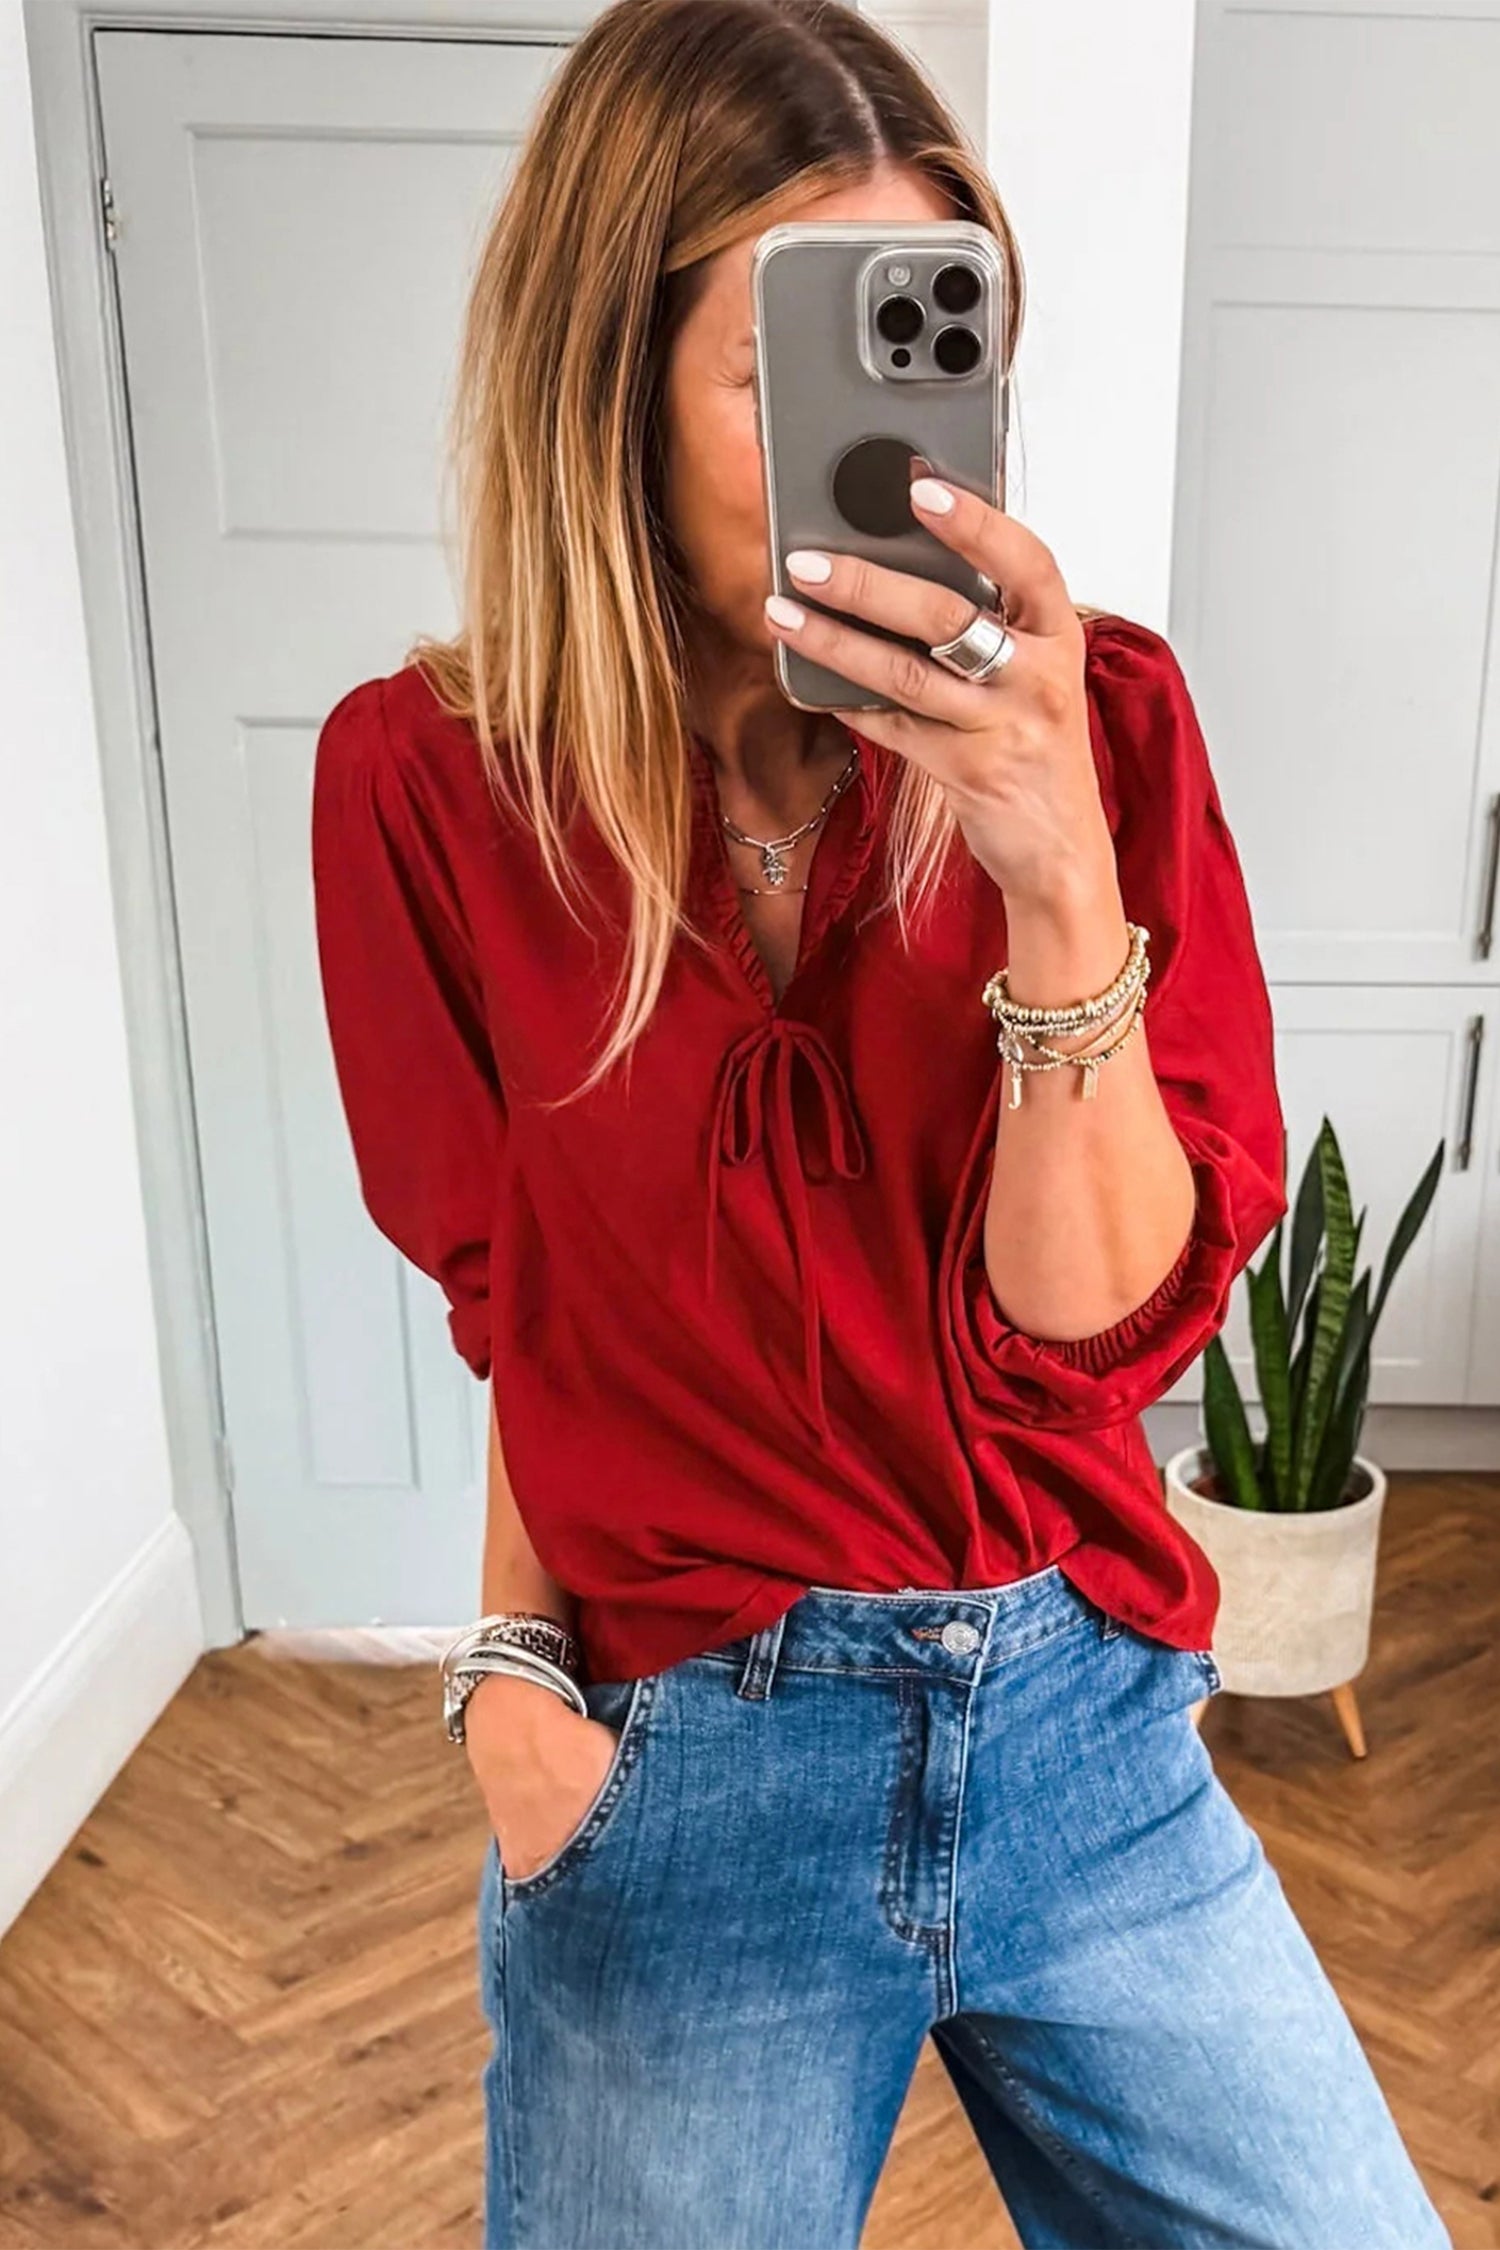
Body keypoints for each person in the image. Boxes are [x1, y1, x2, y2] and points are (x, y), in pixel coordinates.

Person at [308, 2, 1453, 2243]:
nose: (896, 463)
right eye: (786, 374)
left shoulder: (1101, 727)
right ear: (605, 382)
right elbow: (525, 1313)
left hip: (1085, 1730)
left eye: (929, 359)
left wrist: (1050, 878)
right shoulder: (424, 790)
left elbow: (1095, 1329)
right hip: (688, 1768)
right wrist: (517, 1683)